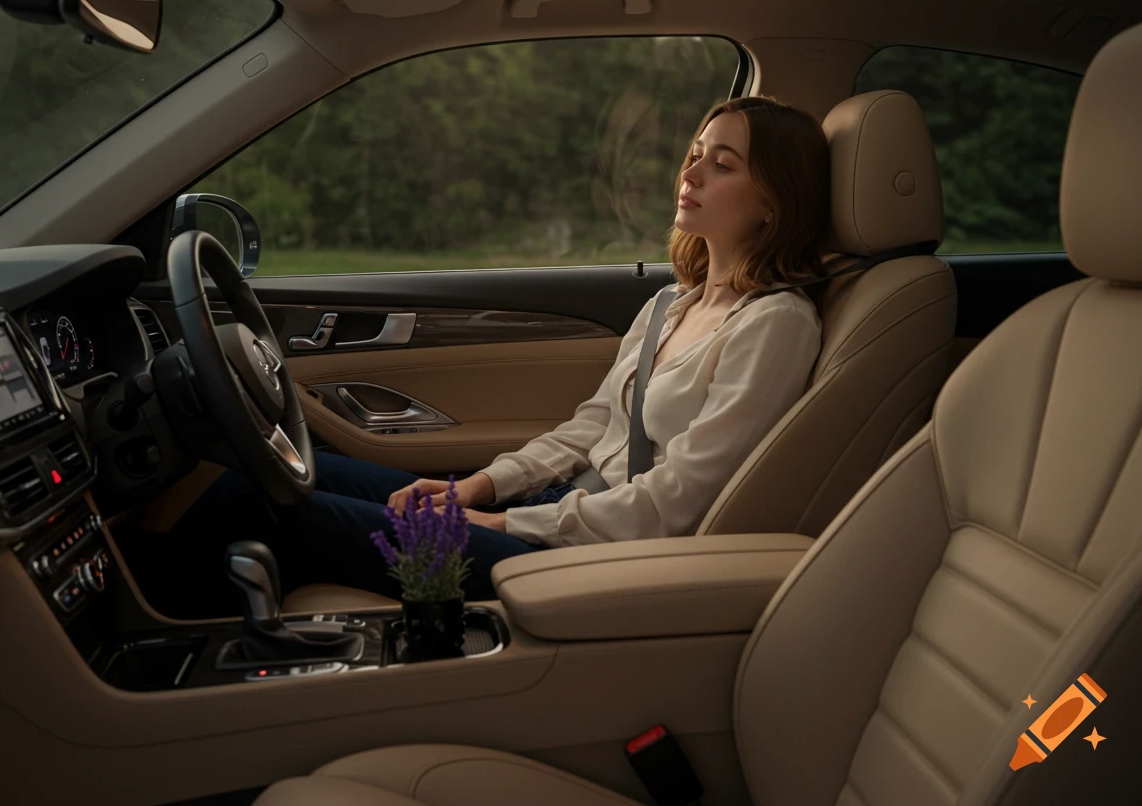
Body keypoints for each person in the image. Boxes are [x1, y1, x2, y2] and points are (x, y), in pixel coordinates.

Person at [199, 95, 830, 603]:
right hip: (557, 514)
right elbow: (590, 428)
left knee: (265, 507)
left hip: (598, 554)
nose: (689, 174)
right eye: (695, 154)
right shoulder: (672, 303)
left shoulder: (775, 324)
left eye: (723, 165)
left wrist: (504, 525)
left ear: (773, 203)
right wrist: (477, 487)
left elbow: (680, 502)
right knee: (280, 471)